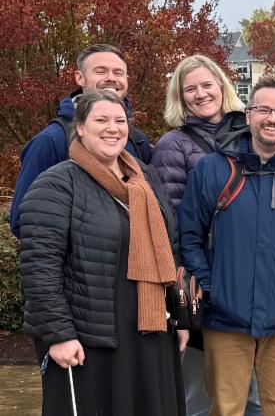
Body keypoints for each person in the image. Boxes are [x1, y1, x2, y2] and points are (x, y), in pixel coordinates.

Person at [19, 89, 187, 415]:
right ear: (80, 128)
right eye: (101, 120)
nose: (113, 128)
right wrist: (59, 335)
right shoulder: (56, 184)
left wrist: (178, 314)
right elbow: (40, 268)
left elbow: (170, 248)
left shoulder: (145, 180)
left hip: (151, 327)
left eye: (120, 121)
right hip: (91, 339)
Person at [178, 75, 275, 416]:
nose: (273, 119)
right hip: (225, 317)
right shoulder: (212, 170)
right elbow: (189, 238)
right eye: (264, 109)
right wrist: (210, 287)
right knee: (225, 410)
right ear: (248, 114)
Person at [151, 54, 251, 416]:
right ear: (180, 97)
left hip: (250, 280)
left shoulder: (249, 138)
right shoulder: (173, 146)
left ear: (222, 87)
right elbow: (170, 222)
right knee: (199, 392)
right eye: (190, 89)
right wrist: (184, 285)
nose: (201, 94)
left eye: (207, 85)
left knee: (252, 391)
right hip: (199, 284)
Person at [10, 43, 153, 237]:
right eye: (100, 71)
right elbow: (22, 220)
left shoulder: (138, 140)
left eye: (118, 72)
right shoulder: (52, 141)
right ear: (80, 78)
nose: (111, 78)